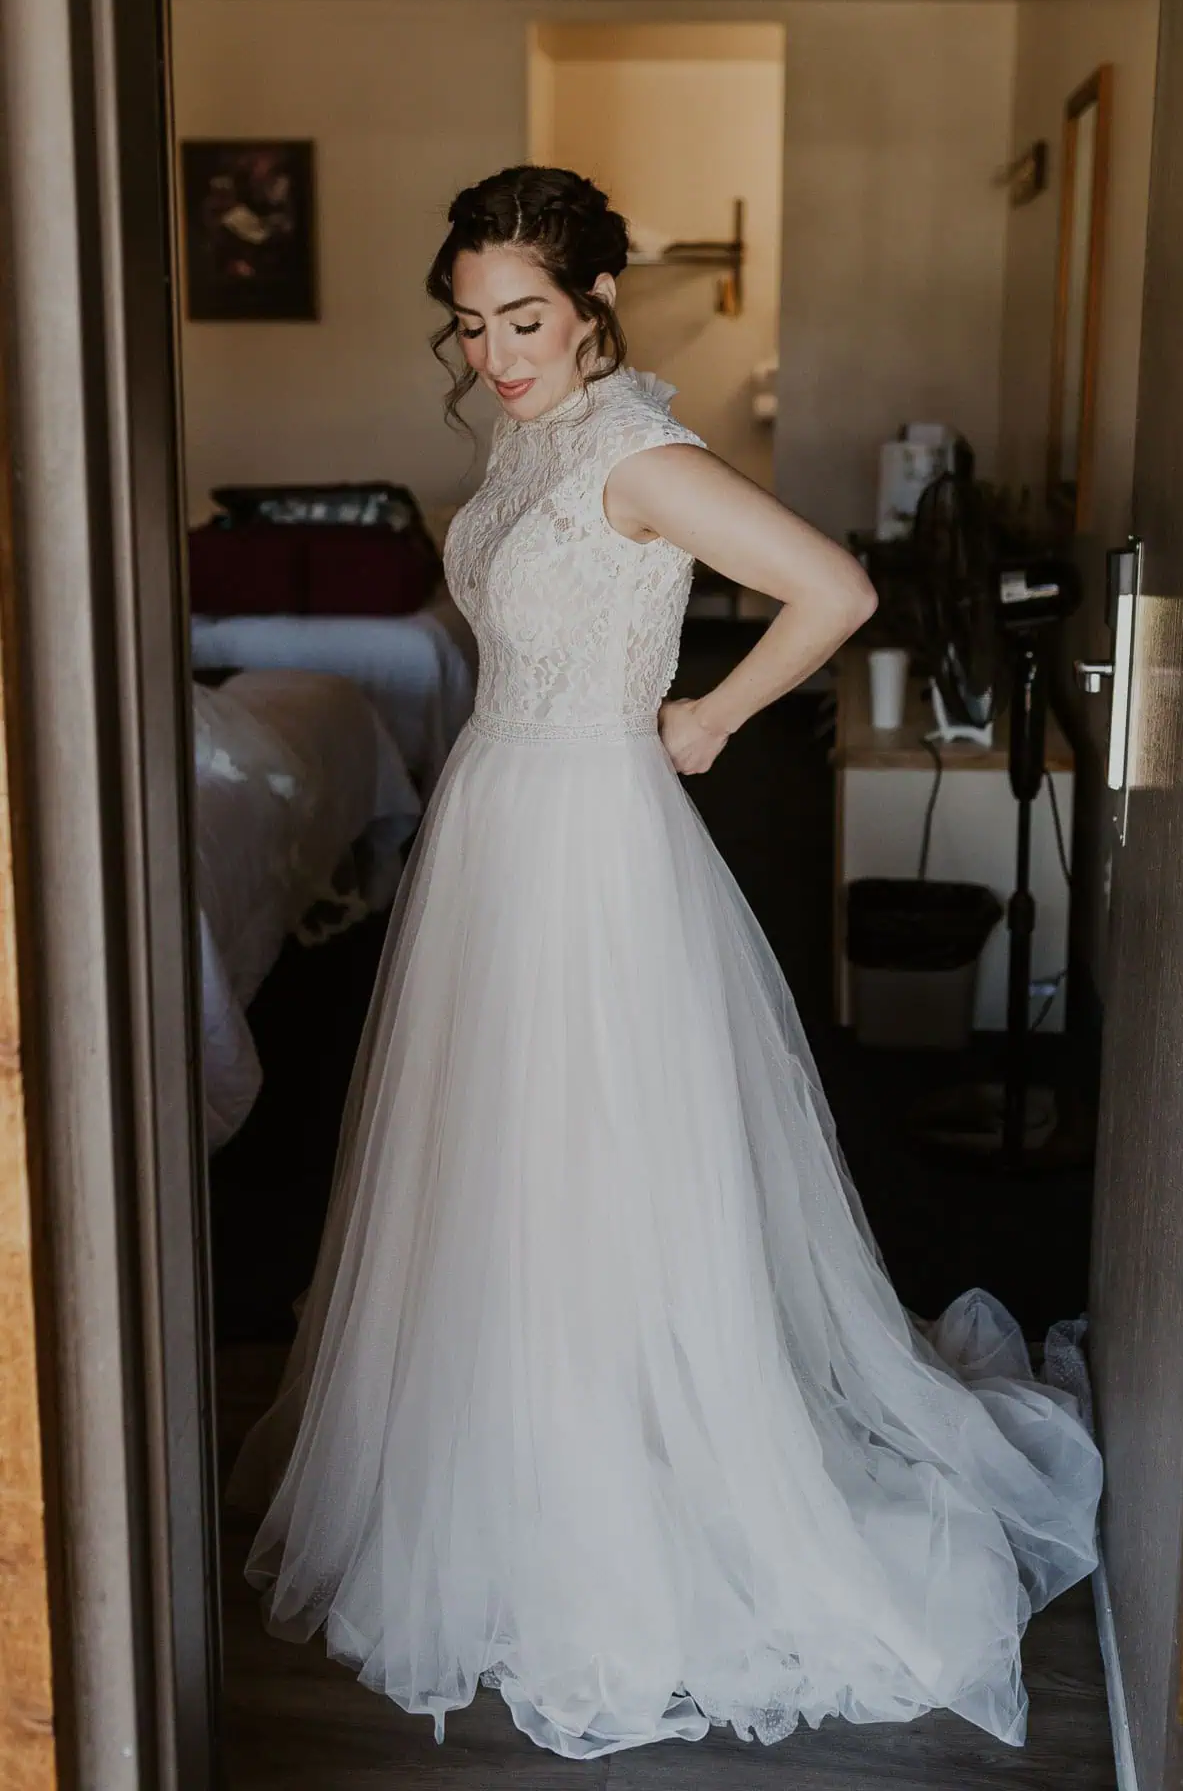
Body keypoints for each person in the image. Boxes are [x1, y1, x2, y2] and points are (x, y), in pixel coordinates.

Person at [231, 164, 1101, 1761]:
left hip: (589, 843)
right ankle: (508, 1468)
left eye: (527, 319)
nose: (497, 351)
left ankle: (624, 1494)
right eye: (474, 323)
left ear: (590, 309)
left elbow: (829, 589)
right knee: (496, 1165)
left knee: (596, 1160)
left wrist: (707, 715)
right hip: (498, 823)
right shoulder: (524, 432)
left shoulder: (637, 443)